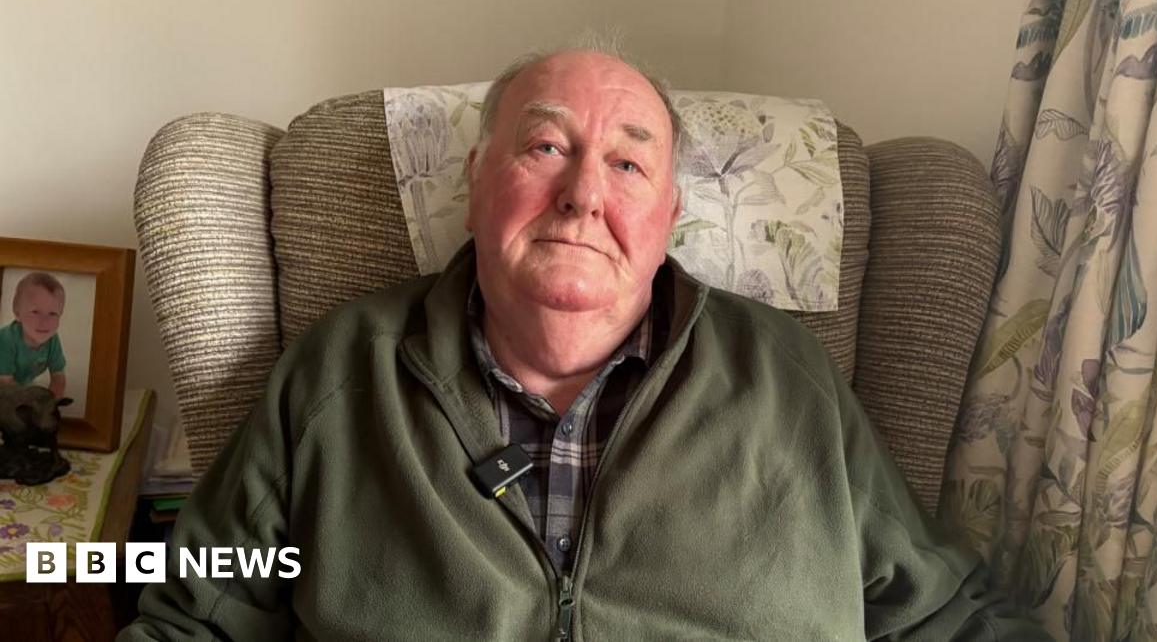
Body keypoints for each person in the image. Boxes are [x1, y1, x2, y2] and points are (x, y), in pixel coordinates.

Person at [120, 47, 1048, 640]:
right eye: (546, 149)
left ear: (669, 216)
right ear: (477, 182)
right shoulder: (343, 368)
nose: (584, 195)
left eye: (629, 162)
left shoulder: (787, 376)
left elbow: (947, 612)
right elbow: (193, 612)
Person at [0, 271, 67, 399]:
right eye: (35, 312)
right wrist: (32, 402)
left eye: (53, 314)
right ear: (17, 313)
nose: (44, 321)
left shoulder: (52, 340)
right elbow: (5, 385)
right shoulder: (6, 340)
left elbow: (58, 378)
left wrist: (51, 403)